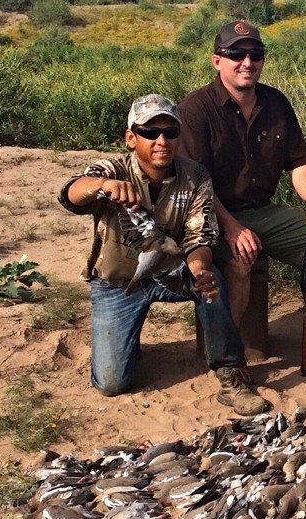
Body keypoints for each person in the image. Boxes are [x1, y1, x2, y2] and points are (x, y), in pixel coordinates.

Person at [58, 94, 271, 416]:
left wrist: (200, 271)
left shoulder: (195, 176)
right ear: (131, 138)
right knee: (112, 384)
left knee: (213, 284)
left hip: (172, 273)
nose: (161, 141)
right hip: (119, 282)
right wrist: (103, 185)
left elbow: (201, 237)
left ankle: (231, 374)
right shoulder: (111, 169)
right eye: (149, 132)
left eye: (170, 132)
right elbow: (72, 193)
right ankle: (126, 343)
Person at [177, 21, 306, 370]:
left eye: (255, 54)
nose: (247, 62)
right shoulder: (195, 110)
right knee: (239, 261)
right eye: (237, 54)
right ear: (217, 61)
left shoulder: (276, 102)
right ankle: (229, 358)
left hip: (260, 211)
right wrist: (231, 229)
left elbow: (299, 167)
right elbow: (198, 185)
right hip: (210, 216)